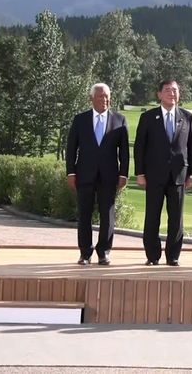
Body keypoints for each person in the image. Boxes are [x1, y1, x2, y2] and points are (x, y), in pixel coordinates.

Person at [134, 79, 192, 266]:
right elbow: (140, 148)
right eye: (168, 90)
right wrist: (139, 173)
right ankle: (152, 256)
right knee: (152, 216)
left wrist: (191, 173)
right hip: (154, 175)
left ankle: (173, 256)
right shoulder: (148, 117)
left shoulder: (187, 117)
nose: (172, 93)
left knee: (176, 218)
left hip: (178, 176)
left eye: (175, 90)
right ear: (159, 94)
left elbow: (191, 148)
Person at [65, 83, 129, 266]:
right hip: (84, 175)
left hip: (109, 176)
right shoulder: (80, 120)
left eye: (107, 96)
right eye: (100, 96)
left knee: (107, 215)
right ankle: (85, 253)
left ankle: (104, 252)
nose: (105, 99)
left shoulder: (119, 120)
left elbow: (124, 152)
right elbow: (71, 148)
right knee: (84, 214)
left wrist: (123, 174)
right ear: (91, 98)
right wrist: (71, 172)